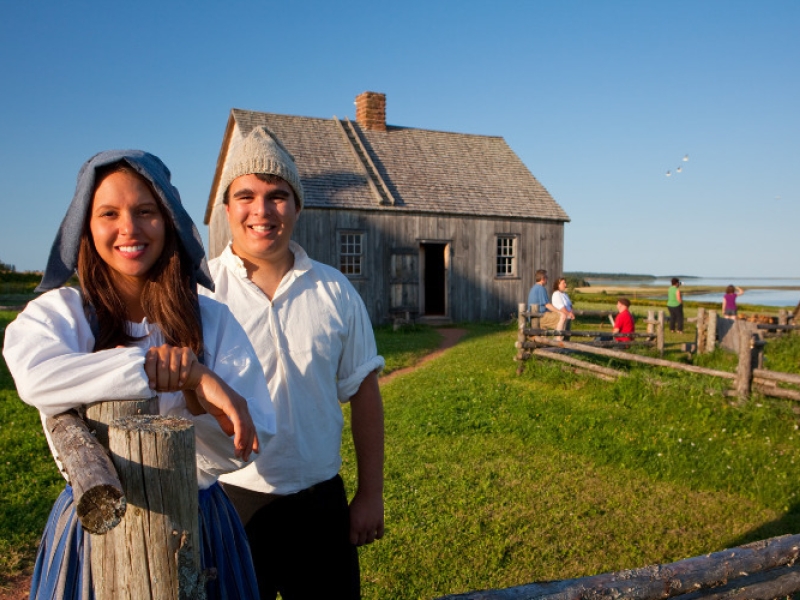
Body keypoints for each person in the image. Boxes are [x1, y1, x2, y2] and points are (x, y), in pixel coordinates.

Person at [2, 150, 276, 600]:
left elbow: (247, 442)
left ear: (168, 220)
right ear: (85, 227)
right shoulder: (60, 315)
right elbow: (36, 378)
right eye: (108, 213)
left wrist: (193, 393)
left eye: (146, 211)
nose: (129, 228)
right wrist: (174, 372)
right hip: (93, 527)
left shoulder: (212, 320)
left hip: (199, 523)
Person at [199, 126, 385, 600]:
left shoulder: (334, 290)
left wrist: (369, 494)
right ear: (226, 208)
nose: (261, 211)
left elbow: (363, 392)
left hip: (319, 502)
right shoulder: (200, 294)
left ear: (297, 206)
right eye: (246, 196)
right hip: (230, 502)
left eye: (277, 196)